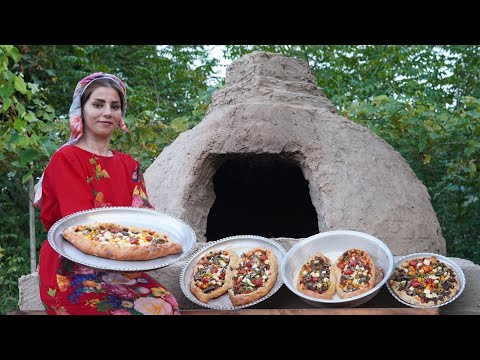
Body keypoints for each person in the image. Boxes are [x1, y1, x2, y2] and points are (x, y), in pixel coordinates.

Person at [33, 72, 179, 315]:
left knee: (167, 305)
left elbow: (142, 217)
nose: (107, 112)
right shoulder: (66, 159)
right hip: (69, 268)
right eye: (98, 104)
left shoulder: (129, 164)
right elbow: (79, 226)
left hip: (118, 263)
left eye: (115, 106)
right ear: (81, 109)